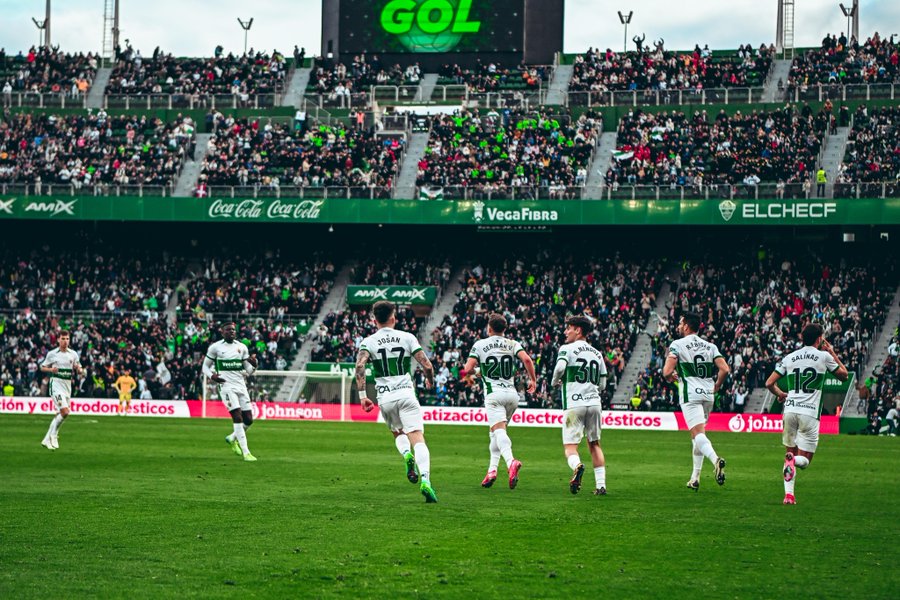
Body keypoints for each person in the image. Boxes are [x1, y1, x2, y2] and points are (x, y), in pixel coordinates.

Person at [355, 301, 438, 503]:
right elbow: (426, 365)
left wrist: (363, 396)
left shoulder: (369, 342)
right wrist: (429, 380)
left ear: (374, 320)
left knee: (397, 433)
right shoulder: (407, 337)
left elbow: (359, 365)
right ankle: (426, 480)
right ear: (394, 318)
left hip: (385, 398)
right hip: (406, 395)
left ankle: (406, 455)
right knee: (418, 437)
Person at [766, 323, 848, 505]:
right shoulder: (823, 356)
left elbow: (769, 383)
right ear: (819, 339)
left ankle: (789, 495)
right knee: (803, 461)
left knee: (789, 453)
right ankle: (793, 460)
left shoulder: (790, 357)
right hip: (809, 413)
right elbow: (844, 375)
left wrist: (780, 394)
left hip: (789, 410)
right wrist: (832, 351)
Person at [463, 313, 537, 490]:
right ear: (505, 329)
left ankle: (511, 461)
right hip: (512, 395)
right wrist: (533, 380)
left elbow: (467, 370)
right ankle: (492, 471)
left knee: (499, 432)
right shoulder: (512, 343)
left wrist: (479, 372)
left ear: (489, 328)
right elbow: (526, 359)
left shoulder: (480, 345)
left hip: (493, 395)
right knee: (494, 432)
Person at [663, 312, 729, 491]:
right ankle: (695, 477)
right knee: (697, 436)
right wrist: (716, 386)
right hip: (708, 395)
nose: (678, 325)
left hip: (690, 394)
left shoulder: (677, 344)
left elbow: (666, 371)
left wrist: (672, 377)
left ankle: (716, 460)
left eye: (680, 322)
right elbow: (724, 369)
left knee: (699, 435)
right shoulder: (710, 346)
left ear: (686, 326)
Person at [551, 315, 609, 495]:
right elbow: (603, 384)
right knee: (595, 444)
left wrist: (555, 382)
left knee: (570, 447)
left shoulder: (567, 348)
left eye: (569, 328)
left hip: (574, 404)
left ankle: (577, 466)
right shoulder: (597, 353)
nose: (565, 331)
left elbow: (560, 368)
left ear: (578, 330)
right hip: (594, 403)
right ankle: (601, 486)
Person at [202, 322, 259, 462]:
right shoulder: (215, 348)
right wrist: (212, 376)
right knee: (237, 417)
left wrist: (255, 365)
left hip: (241, 385)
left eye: (233, 330)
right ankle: (246, 452)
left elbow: (249, 371)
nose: (231, 332)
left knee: (249, 420)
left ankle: (232, 438)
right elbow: (205, 367)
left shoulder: (242, 347)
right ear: (222, 332)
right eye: (228, 330)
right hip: (226, 386)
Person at [39, 331, 84, 450]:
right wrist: (51, 370)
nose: (65, 341)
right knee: (65, 412)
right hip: (56, 385)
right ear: (58, 340)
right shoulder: (52, 353)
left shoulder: (73, 354)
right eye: (63, 338)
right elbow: (42, 367)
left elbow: (78, 366)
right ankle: (54, 435)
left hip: (67, 386)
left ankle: (46, 439)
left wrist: (80, 370)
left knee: (59, 414)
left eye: (67, 339)